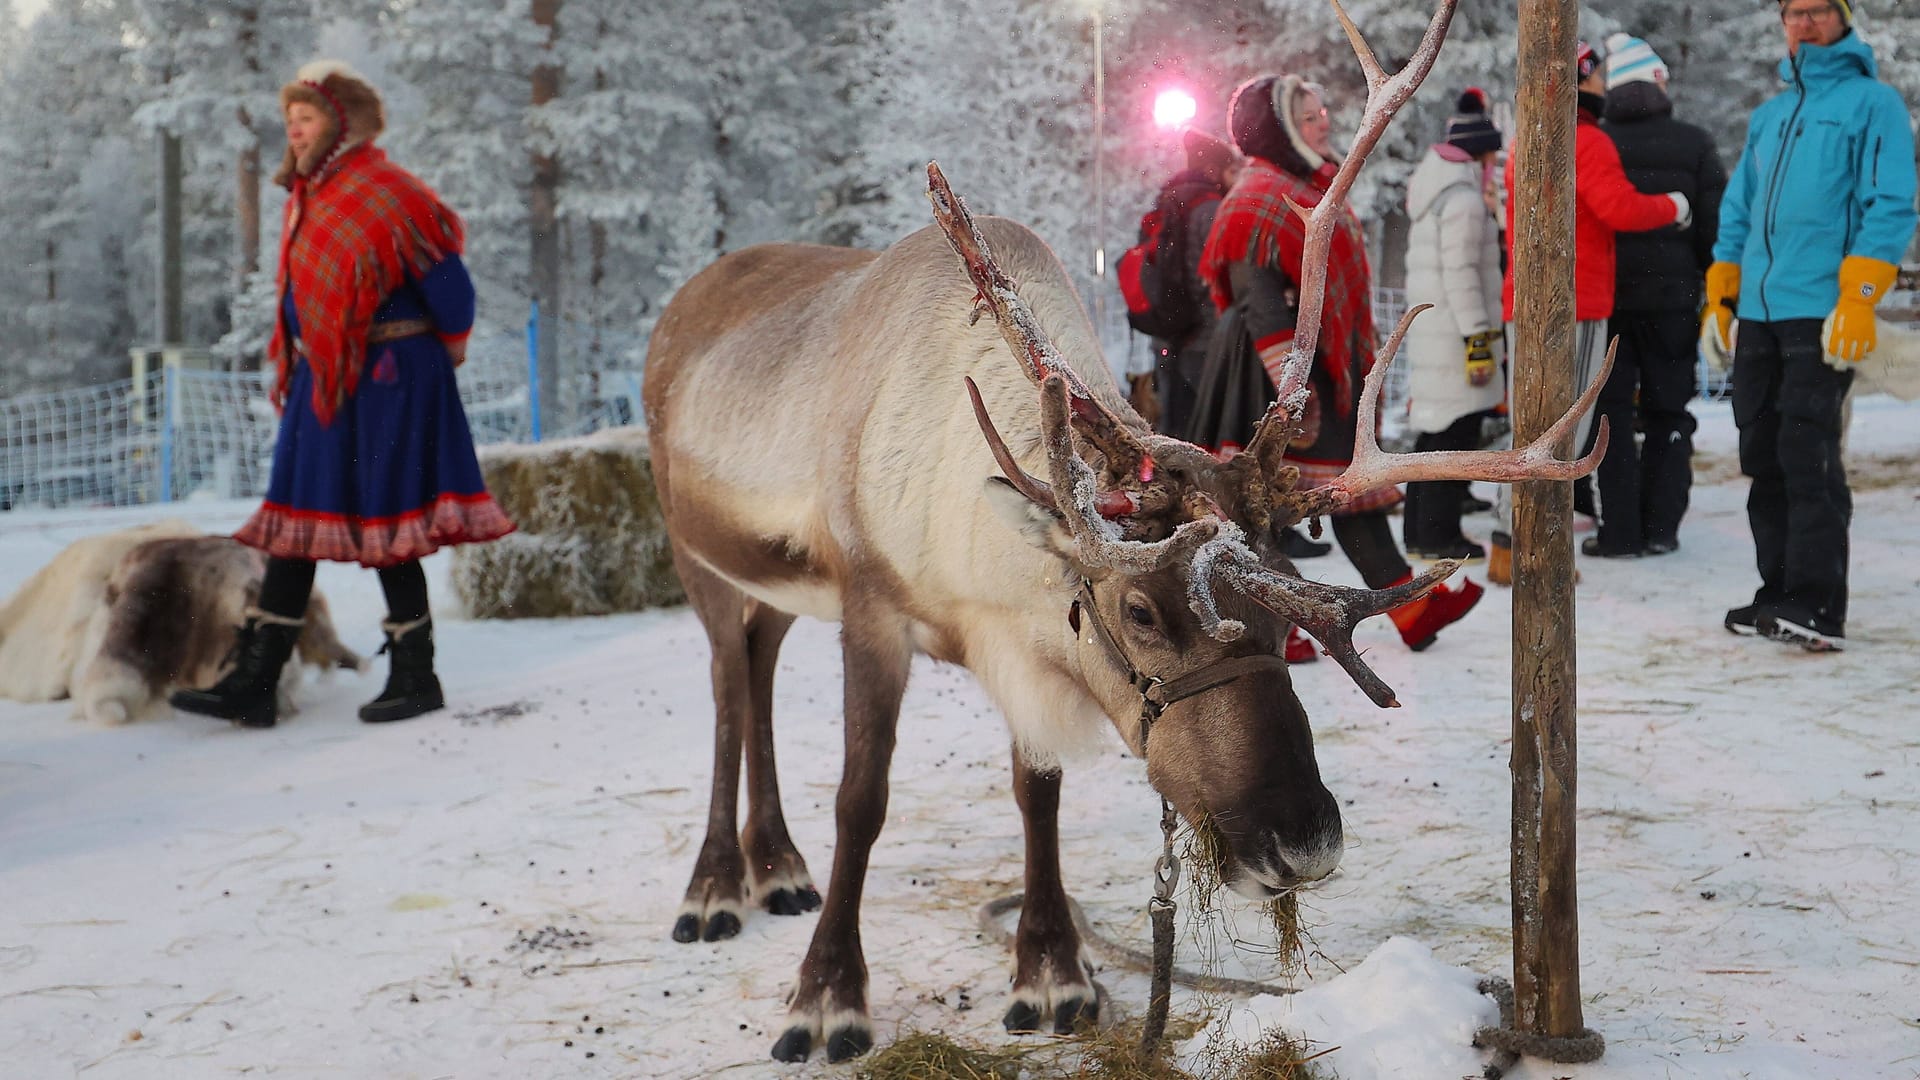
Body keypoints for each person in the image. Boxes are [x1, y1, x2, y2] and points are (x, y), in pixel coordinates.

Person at [171, 60, 515, 728]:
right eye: (291, 123)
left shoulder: (388, 192)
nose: (295, 134)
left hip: (387, 377)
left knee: (393, 518)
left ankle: (417, 675)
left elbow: (453, 294)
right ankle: (257, 680)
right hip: (325, 378)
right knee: (295, 518)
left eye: (307, 120)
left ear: (343, 124)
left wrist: (426, 360)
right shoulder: (313, 195)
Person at [1197, 73, 1483, 660]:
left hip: (1313, 367)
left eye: (1321, 109)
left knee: (1344, 495)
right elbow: (1258, 299)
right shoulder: (1257, 197)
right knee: (1260, 509)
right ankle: (1273, 626)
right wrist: (1291, 386)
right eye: (1307, 116)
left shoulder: (1304, 186)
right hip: (1273, 373)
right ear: (1277, 131)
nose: (1324, 120)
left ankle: (1409, 610)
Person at [1706, 0, 1916, 651]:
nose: (1804, 21)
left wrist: (1858, 294)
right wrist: (1723, 282)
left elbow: (1892, 202)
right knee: (1762, 454)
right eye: (1793, 12)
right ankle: (1778, 595)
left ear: (1843, 18)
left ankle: (1819, 605)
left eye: (1818, 9)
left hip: (1820, 312)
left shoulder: (1871, 103)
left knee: (1808, 454)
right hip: (1760, 316)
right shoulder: (1770, 115)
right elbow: (1739, 205)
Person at [1488, 40, 1692, 584]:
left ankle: (1509, 544)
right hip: (1576, 302)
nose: (1605, 86)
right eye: (1597, 77)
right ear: (1583, 81)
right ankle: (1527, 546)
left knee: (1530, 425)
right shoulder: (1587, 141)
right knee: (1563, 431)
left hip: (1526, 301)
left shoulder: (1528, 138)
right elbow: (1617, 207)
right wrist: (1676, 205)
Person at [1592, 34, 1726, 559]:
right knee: (1671, 412)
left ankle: (1620, 530)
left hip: (1611, 303)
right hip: (1674, 300)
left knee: (1613, 414)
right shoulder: (1695, 142)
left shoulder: (1596, 141)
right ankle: (1663, 527)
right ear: (1659, 83)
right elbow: (1715, 230)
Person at [1400, 88, 1506, 562]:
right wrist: (1479, 339)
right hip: (1457, 334)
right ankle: (1439, 536)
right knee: (1453, 437)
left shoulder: (1435, 194)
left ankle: (1420, 532)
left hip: (1435, 334)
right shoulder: (1462, 200)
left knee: (1435, 435)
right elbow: (1463, 274)